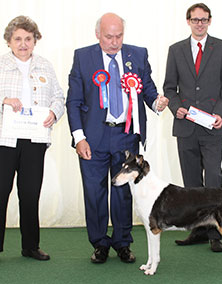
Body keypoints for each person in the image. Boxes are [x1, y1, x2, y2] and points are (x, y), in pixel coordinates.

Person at [66, 13, 168, 264]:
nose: (114, 42)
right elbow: (74, 101)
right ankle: (100, 243)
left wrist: (157, 102)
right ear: (97, 34)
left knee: (124, 194)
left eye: (119, 36)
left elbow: (148, 89)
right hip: (93, 137)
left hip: (126, 134)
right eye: (109, 36)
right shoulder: (83, 57)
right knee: (94, 192)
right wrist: (79, 137)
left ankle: (123, 243)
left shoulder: (138, 54)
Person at [163, 3, 222, 252]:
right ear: (188, 21)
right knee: (191, 184)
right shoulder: (176, 50)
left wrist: (220, 113)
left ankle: (216, 233)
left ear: (210, 21)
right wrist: (176, 106)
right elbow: (169, 88)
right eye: (195, 19)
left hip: (212, 126)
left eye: (204, 19)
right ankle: (198, 231)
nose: (199, 23)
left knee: (213, 178)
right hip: (185, 126)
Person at [0, 16, 65, 260]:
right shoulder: (1, 64)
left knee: (29, 193)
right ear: (9, 41)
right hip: (4, 141)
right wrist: (4, 101)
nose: (23, 43)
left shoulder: (45, 66)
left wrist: (53, 112)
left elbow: (59, 97)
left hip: (34, 141)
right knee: (0, 192)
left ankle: (30, 246)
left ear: (35, 41)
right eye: (18, 39)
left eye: (28, 38)